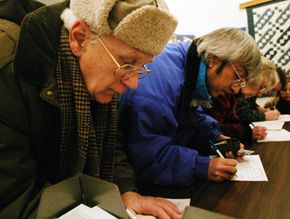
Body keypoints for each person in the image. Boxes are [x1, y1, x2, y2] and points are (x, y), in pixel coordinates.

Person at [0, 0, 179, 218]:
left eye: (141, 67)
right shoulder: (7, 70)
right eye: (127, 62)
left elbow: (111, 144)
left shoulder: (94, 76)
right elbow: (11, 198)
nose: (133, 84)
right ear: (79, 38)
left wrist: (124, 192)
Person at [119, 27, 262, 189]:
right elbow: (147, 159)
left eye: (242, 82)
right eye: (238, 76)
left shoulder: (188, 64)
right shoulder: (159, 92)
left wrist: (216, 137)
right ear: (213, 60)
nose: (236, 90)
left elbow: (190, 115)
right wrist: (200, 166)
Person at [205, 57, 280, 144]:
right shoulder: (221, 93)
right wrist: (248, 132)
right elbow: (216, 127)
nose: (259, 94)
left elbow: (234, 120)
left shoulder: (233, 95)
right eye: (261, 88)